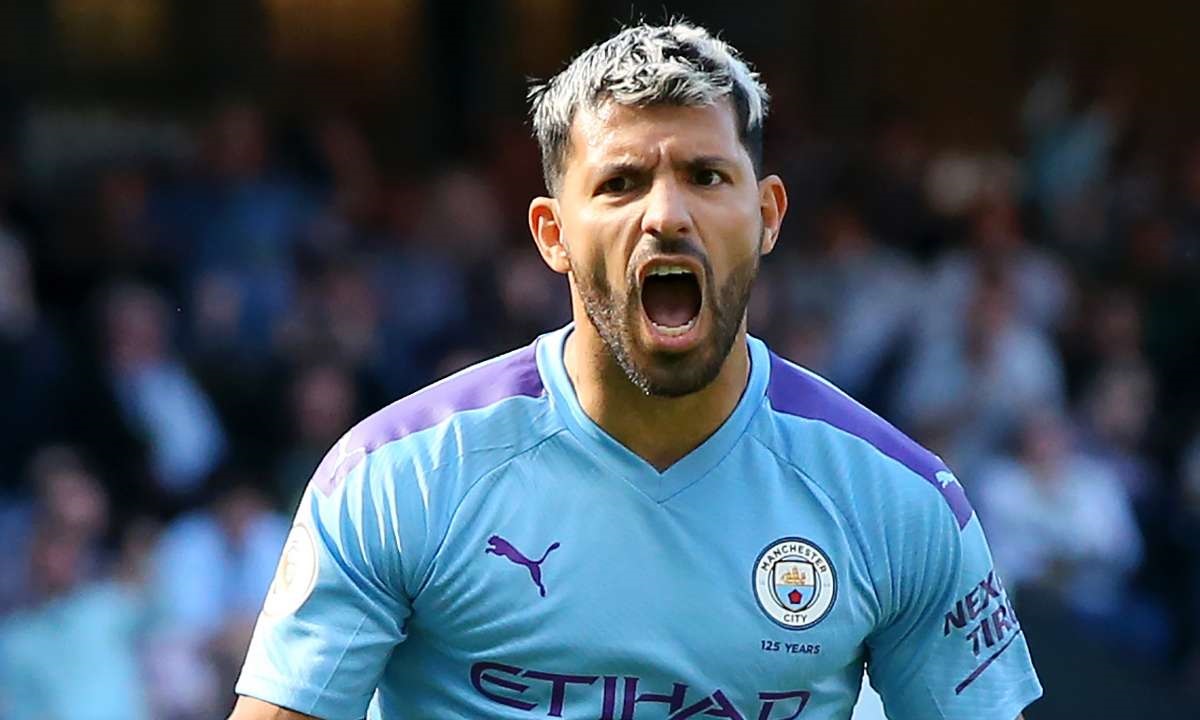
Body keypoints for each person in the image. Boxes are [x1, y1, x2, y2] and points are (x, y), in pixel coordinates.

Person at [230, 22, 1041, 720]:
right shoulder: (398, 477)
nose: (666, 215)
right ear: (552, 234)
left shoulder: (899, 501)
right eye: (620, 183)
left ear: (767, 216)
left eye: (706, 176)